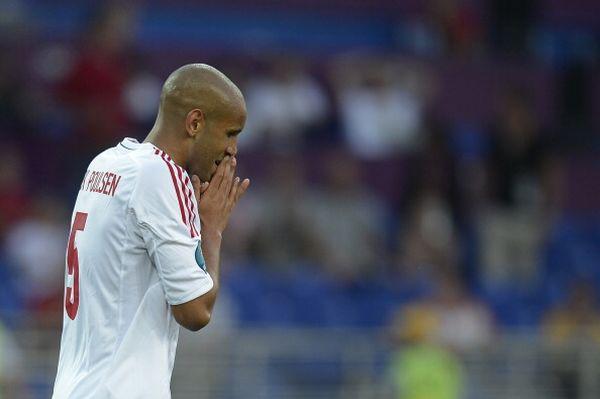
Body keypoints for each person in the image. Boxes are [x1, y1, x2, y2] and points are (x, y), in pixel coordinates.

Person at [52, 64, 250, 399]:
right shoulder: (162, 175)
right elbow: (195, 311)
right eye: (230, 133)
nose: (233, 150)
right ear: (195, 122)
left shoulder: (103, 164)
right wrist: (212, 230)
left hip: (75, 387)